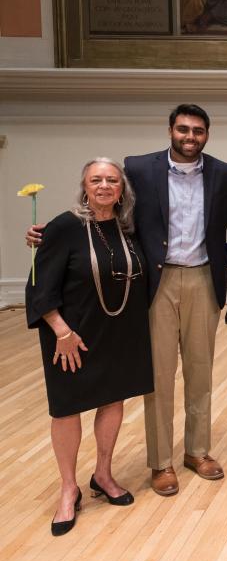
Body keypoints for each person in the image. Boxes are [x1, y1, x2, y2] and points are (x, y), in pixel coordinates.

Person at [28, 105, 227, 496]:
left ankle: (197, 451)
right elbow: (111, 212)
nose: (190, 136)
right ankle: (161, 462)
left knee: (201, 373)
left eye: (198, 130)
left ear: (207, 135)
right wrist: (50, 232)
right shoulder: (140, 168)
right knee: (158, 377)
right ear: (170, 130)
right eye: (183, 129)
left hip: (203, 279)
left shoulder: (223, 172)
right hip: (156, 283)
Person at [25, 158, 154, 536]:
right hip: (72, 338)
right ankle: (69, 488)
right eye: (96, 179)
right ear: (84, 185)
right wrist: (61, 331)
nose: (104, 186)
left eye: (112, 180)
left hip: (119, 333)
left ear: (122, 188)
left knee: (112, 401)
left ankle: (103, 474)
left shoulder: (128, 228)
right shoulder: (64, 227)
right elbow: (39, 288)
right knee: (66, 409)